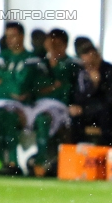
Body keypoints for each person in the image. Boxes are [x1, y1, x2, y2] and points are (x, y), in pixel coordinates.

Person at [0, 22, 43, 176]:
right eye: (7, 36)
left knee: (8, 116)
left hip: (24, 105)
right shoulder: (1, 57)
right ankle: (0, 161)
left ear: (22, 36)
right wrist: (10, 87)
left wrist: (3, 81)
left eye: (13, 36)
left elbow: (22, 87)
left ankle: (12, 162)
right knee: (0, 115)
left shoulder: (31, 59)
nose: (9, 39)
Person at [28, 28, 79, 176]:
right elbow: (35, 87)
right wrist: (52, 86)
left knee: (44, 120)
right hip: (37, 106)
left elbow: (66, 88)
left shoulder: (72, 65)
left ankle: (41, 163)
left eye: (57, 44)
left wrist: (50, 88)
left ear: (64, 45)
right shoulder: (39, 64)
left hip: (61, 108)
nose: (53, 48)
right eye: (50, 44)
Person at [70, 41, 112, 146]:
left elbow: (111, 101)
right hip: (89, 113)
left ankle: (104, 150)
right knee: (74, 119)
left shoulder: (111, 71)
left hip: (105, 113)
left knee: (107, 116)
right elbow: (79, 97)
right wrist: (92, 85)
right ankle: (77, 150)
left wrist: (98, 84)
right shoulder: (82, 73)